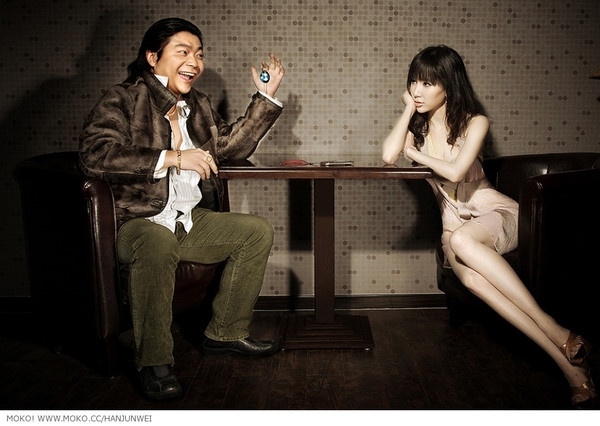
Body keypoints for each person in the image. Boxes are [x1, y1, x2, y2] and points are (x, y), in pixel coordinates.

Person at [79, 17, 285, 400]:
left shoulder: (198, 104)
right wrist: (173, 157)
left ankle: (224, 334)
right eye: (183, 51)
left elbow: (231, 147)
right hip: (139, 222)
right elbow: (95, 155)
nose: (194, 62)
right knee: (157, 242)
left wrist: (264, 97)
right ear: (152, 57)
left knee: (255, 231)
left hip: (186, 220)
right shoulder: (123, 98)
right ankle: (154, 362)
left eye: (199, 54)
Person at [382, 45, 597, 409]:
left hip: (498, 215)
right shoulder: (416, 128)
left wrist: (414, 154)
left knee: (463, 241)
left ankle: (554, 328)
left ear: (449, 85)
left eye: (428, 83)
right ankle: (571, 366)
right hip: (454, 229)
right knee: (472, 279)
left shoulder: (475, 122)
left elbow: (455, 172)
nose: (417, 90)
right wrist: (406, 110)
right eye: (413, 81)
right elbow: (388, 156)